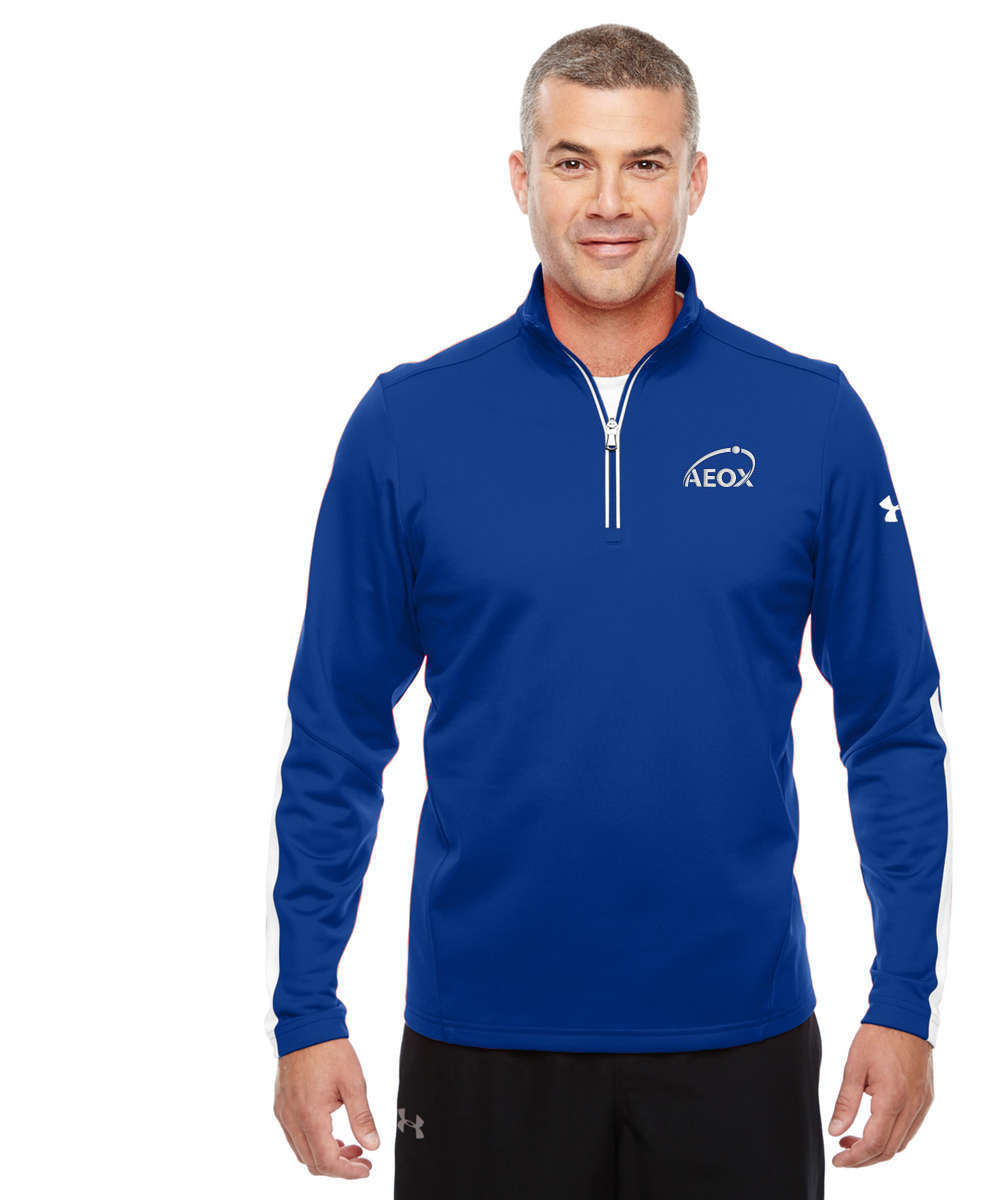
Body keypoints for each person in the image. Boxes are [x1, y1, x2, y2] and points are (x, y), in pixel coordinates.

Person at [266, 23, 951, 1199]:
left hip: (739, 1035)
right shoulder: (408, 426)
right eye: (574, 161)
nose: (609, 202)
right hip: (481, 1039)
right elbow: (335, 736)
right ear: (522, 179)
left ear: (695, 180)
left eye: (644, 163)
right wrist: (304, 1011)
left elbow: (891, 728)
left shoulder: (812, 420)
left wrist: (904, 1000)